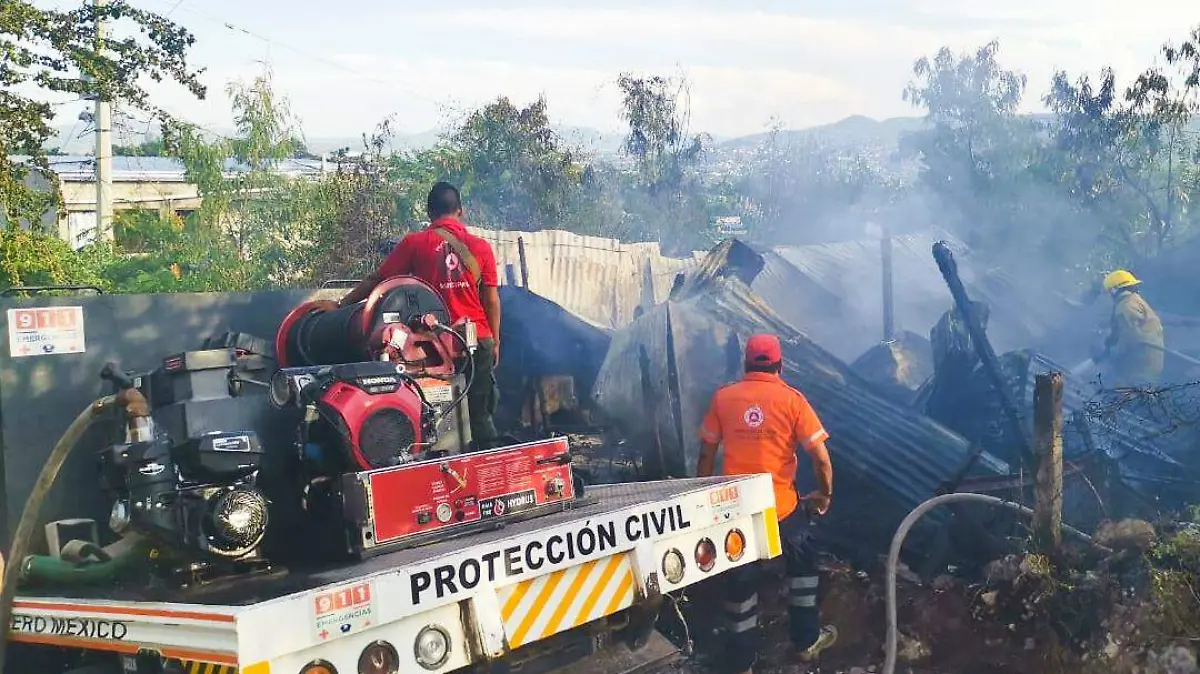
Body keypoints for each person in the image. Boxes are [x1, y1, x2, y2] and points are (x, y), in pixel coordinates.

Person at [696, 334, 838, 674]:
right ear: (780, 364)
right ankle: (806, 643)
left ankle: (742, 662)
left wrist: (703, 501)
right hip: (783, 510)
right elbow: (821, 460)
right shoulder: (793, 401)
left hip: (735, 511)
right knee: (803, 565)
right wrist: (824, 494)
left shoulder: (723, 398)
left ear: (745, 363)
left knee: (739, 584)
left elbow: (706, 455)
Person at [340, 182, 501, 446]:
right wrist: (494, 340)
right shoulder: (480, 247)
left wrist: (342, 305)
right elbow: (491, 300)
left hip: (433, 347)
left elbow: (377, 281)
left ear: (429, 213)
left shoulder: (415, 244)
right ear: (461, 210)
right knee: (480, 416)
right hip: (477, 340)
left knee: (434, 415)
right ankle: (489, 470)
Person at [1093, 269, 1164, 387]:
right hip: (1148, 362)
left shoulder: (1125, 307)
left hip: (1140, 368)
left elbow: (1130, 339)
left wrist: (1111, 353)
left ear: (1114, 291)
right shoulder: (1134, 301)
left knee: (1119, 392)